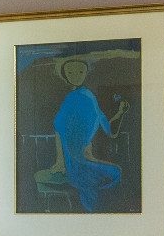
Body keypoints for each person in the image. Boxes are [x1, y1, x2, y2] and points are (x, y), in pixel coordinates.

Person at [52, 58, 128, 211]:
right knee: (108, 177)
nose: (76, 75)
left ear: (86, 73)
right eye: (70, 72)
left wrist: (120, 113)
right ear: (65, 75)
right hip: (74, 162)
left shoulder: (91, 97)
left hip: (86, 159)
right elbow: (58, 129)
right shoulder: (70, 99)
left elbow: (111, 131)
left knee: (115, 174)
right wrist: (60, 161)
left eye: (80, 71)